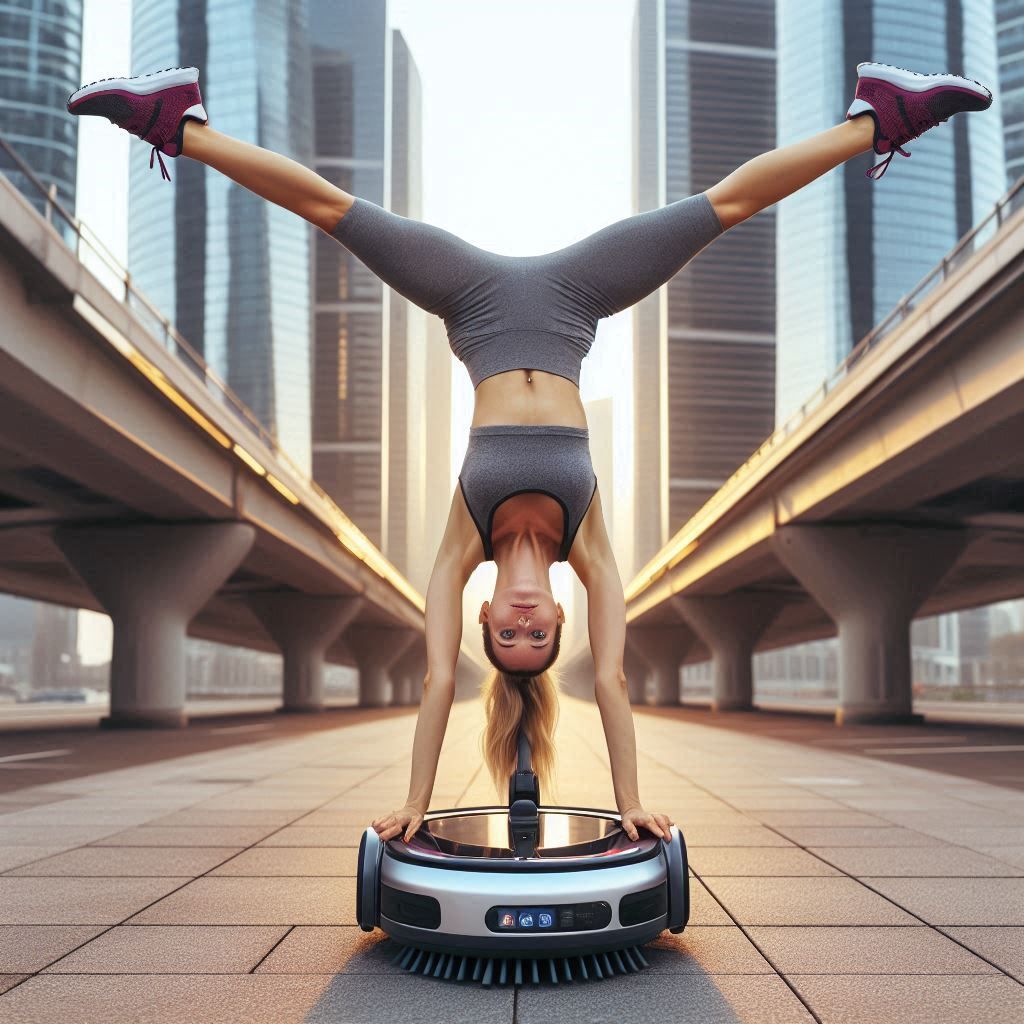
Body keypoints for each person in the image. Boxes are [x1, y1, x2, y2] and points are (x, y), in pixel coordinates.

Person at [68, 59, 993, 846]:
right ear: (558, 619)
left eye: (505, 635)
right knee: (729, 206)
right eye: (536, 634)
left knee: (328, 209)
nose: (519, 621)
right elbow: (621, 682)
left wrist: (414, 808)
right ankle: (884, 111)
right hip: (575, 298)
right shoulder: (587, 547)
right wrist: (633, 806)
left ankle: (173, 122)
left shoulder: (456, 549)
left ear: (483, 625)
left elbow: (435, 684)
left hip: (469, 301)